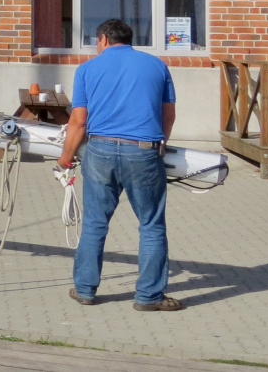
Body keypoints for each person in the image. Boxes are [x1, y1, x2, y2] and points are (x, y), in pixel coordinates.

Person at [57, 18, 182, 311]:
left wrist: (66, 156)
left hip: (99, 149)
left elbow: (78, 121)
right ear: (128, 39)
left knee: (94, 223)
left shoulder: (88, 69)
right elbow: (169, 115)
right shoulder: (157, 66)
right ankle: (148, 297)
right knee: (151, 225)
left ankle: (86, 290)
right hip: (143, 151)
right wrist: (158, 145)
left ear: (102, 39)